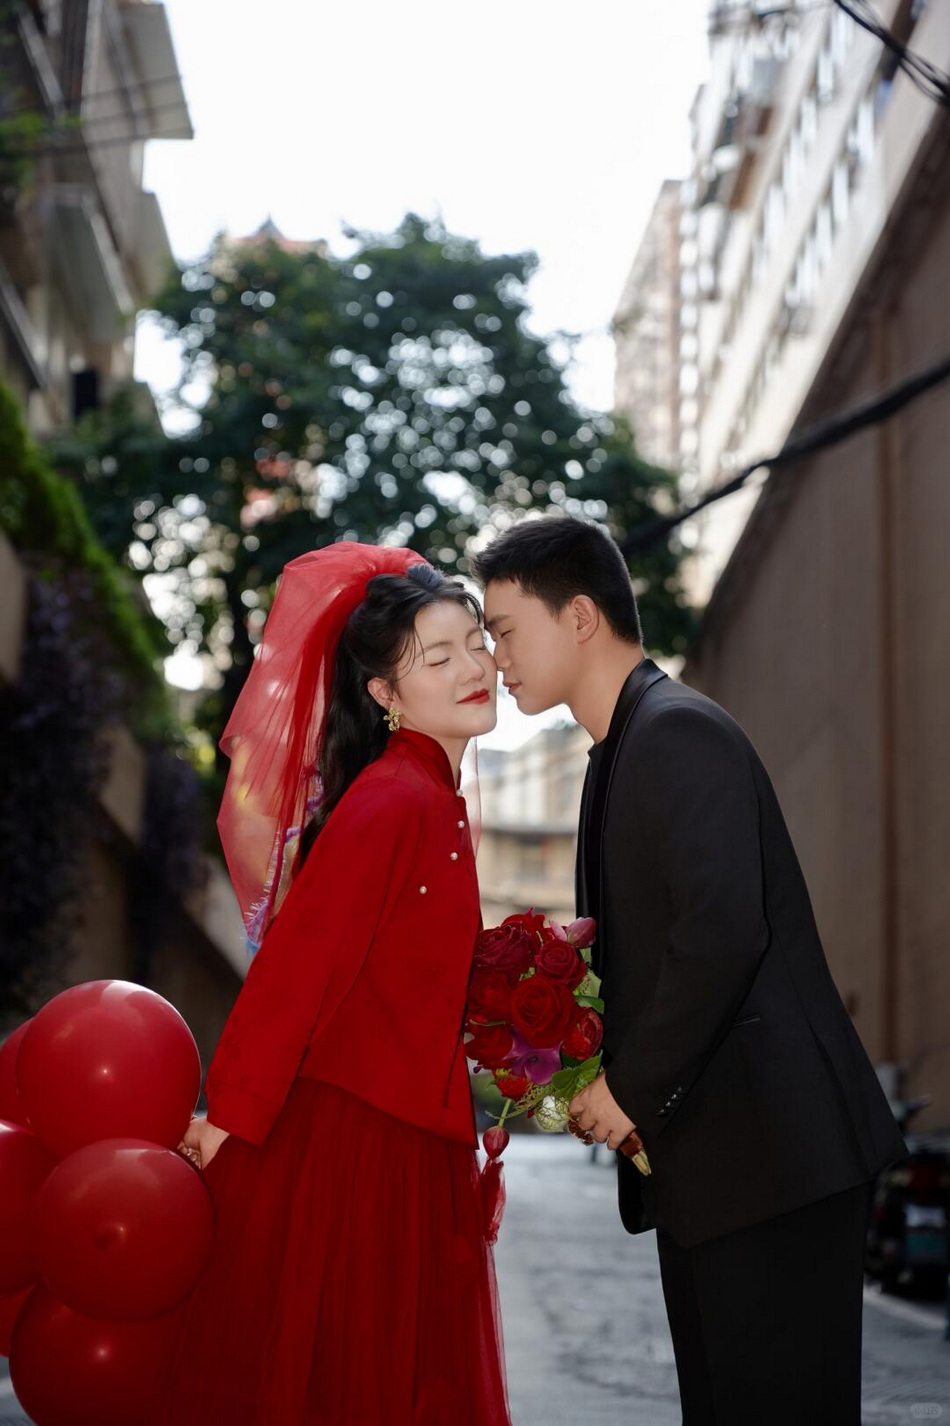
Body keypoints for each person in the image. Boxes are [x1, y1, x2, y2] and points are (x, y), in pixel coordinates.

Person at [473, 515, 906, 1426]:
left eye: (505, 630)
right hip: (717, 1169)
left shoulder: (677, 733)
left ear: (579, 616)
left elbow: (722, 933)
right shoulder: (618, 752)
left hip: (776, 1160)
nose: (496, 656)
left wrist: (627, 1089)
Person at [153, 544, 511, 1426]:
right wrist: (228, 1116)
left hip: (410, 1139)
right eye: (439, 658)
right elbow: (300, 968)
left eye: (476, 644)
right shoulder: (392, 800)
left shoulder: (432, 799)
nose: (474, 668)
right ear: (385, 694)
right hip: (356, 1149)